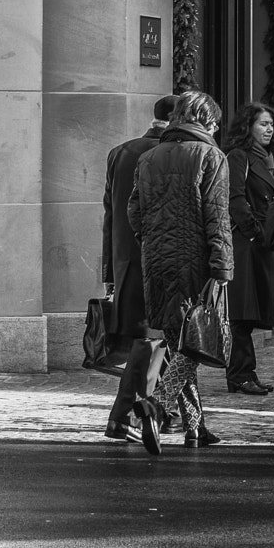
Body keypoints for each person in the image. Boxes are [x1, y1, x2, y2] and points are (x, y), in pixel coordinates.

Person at [111, 90, 234, 454]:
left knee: (182, 340)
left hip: (157, 260)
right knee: (196, 343)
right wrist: (223, 265)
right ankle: (156, 405)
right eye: (214, 123)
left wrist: (151, 238)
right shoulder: (211, 156)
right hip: (195, 261)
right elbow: (217, 216)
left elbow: (134, 210)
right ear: (206, 121)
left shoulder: (149, 157)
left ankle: (195, 427)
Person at [102, 94, 176, 441]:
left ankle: (160, 412)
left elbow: (110, 216)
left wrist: (109, 271)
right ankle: (126, 417)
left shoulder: (120, 151)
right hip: (156, 260)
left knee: (155, 342)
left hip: (125, 261)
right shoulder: (166, 154)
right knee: (149, 342)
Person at [221, 102, 274, 396]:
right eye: (262, 124)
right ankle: (241, 374)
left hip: (265, 244)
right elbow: (235, 198)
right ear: (248, 128)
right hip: (247, 243)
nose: (269, 129)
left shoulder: (269, 158)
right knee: (243, 312)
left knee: (253, 310)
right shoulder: (238, 156)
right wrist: (255, 232)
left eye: (271, 124)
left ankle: (245, 372)